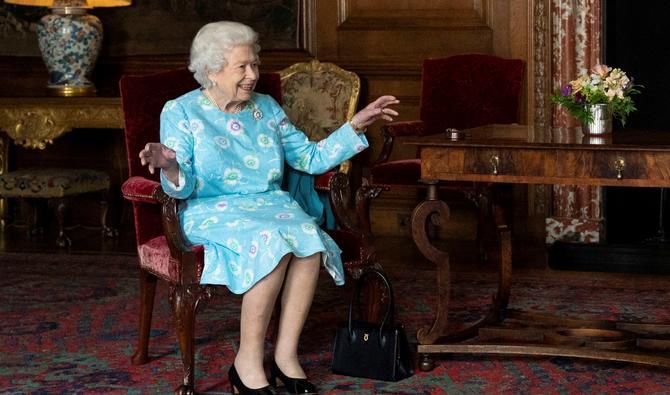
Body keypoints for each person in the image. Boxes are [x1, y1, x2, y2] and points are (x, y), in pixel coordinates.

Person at [139, 21, 398, 395]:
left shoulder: (267, 108)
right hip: (211, 210)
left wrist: (354, 125)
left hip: (270, 206)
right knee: (274, 242)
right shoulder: (181, 112)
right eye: (241, 67)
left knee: (309, 241)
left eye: (254, 65)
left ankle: (285, 357)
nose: (252, 75)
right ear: (211, 70)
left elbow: (309, 158)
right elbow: (185, 186)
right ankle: (247, 361)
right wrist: (170, 165)